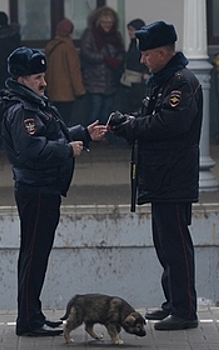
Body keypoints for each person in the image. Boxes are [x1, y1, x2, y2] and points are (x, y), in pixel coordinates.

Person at [0, 46, 106, 337]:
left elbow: (53, 132)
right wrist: (67, 150)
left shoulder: (34, 102)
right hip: (37, 188)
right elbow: (32, 150)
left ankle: (33, 314)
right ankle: (29, 321)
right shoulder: (23, 110)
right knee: (34, 255)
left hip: (43, 187)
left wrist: (82, 134)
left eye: (43, 76)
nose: (43, 82)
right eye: (37, 77)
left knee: (36, 254)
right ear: (21, 79)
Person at [108, 21, 201, 331]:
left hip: (173, 177)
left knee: (176, 246)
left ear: (163, 53)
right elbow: (153, 119)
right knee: (164, 244)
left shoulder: (181, 83)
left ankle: (185, 310)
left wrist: (131, 127)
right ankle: (173, 302)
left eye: (146, 54)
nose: (142, 60)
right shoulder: (163, 81)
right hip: (161, 176)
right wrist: (128, 122)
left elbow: (167, 125)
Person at [80, 6, 125, 125]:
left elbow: (121, 52)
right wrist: (104, 58)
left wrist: (117, 60)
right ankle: (90, 136)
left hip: (111, 80)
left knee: (107, 111)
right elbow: (85, 53)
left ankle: (104, 136)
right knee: (95, 109)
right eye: (104, 22)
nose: (107, 25)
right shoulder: (90, 34)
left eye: (110, 22)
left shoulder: (116, 35)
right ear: (98, 22)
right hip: (94, 79)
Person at [44, 19, 85, 125]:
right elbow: (74, 71)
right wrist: (80, 91)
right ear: (70, 32)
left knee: (56, 118)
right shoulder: (68, 47)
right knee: (65, 120)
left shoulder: (51, 46)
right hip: (66, 92)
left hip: (53, 90)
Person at [114, 19, 149, 114]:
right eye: (129, 30)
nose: (130, 32)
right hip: (128, 79)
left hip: (137, 81)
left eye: (132, 30)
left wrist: (146, 73)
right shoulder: (132, 44)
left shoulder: (143, 45)